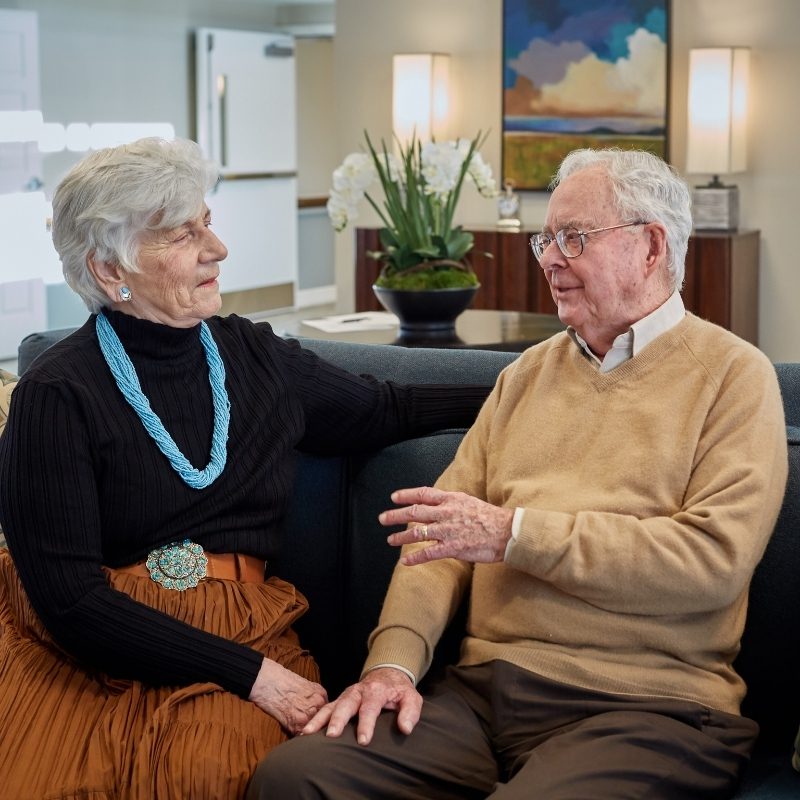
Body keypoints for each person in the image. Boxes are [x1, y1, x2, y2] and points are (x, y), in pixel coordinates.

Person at [249, 148, 789, 799]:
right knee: (296, 778)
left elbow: (712, 563)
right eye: (546, 239)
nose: (549, 259)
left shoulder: (734, 377)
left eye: (574, 238)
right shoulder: (525, 376)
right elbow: (436, 541)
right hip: (480, 698)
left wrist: (515, 534)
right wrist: (391, 666)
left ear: (649, 247)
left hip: (650, 711)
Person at [0, 137, 491, 799]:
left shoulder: (254, 358)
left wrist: (536, 380)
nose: (217, 249)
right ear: (108, 266)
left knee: (215, 771)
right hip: (82, 646)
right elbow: (70, 603)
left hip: (239, 622)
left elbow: (386, 408)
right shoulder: (55, 393)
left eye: (207, 223)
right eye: (182, 234)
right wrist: (257, 676)